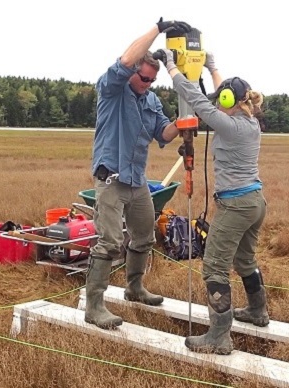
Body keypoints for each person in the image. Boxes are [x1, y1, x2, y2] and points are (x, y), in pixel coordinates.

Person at [157, 49, 269, 354]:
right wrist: (212, 67)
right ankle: (258, 312)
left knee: (213, 268)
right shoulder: (251, 120)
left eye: (223, 99)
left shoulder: (229, 125)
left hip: (236, 206)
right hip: (255, 202)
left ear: (231, 103)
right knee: (244, 259)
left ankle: (219, 336)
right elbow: (223, 94)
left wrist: (170, 66)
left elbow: (195, 98)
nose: (219, 101)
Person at [85, 19, 192, 330]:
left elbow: (164, 133)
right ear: (132, 73)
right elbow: (127, 59)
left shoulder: (151, 99)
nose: (147, 83)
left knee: (144, 236)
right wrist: (157, 30)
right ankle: (94, 306)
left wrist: (186, 121)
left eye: (152, 80)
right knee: (109, 242)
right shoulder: (111, 90)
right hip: (111, 179)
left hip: (137, 180)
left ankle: (135, 288)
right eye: (144, 78)